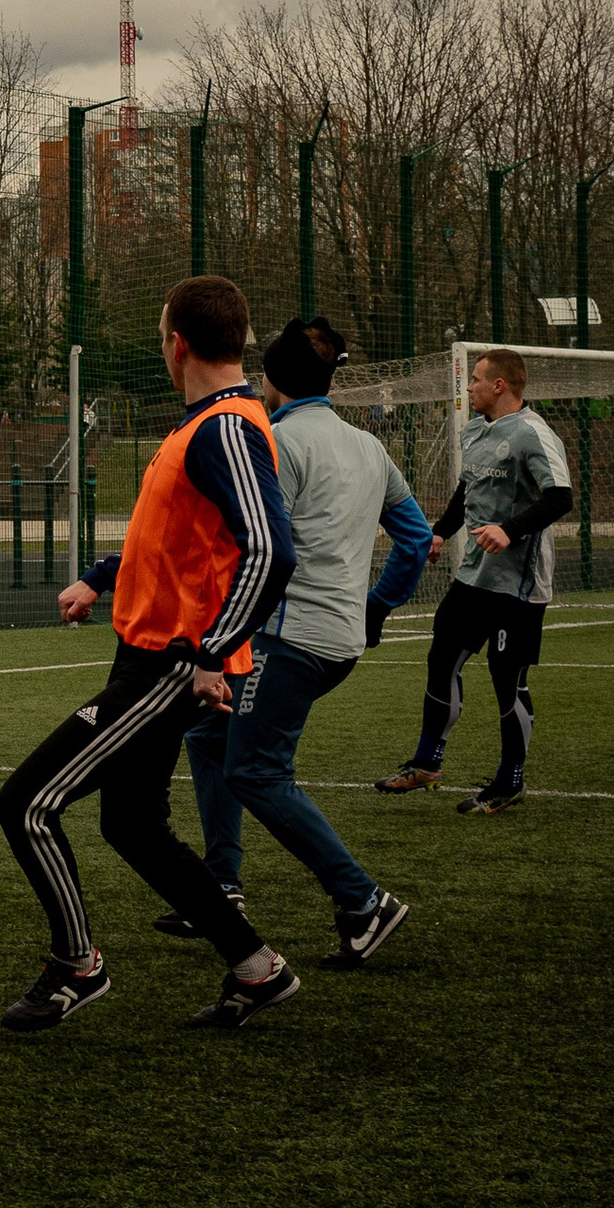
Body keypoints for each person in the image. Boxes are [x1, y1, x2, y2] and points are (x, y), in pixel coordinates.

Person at [0, 275, 300, 1032]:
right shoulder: (199, 426)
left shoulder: (225, 427)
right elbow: (170, 540)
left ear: (177, 343)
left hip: (167, 664)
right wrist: (100, 579)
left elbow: (270, 549)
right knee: (131, 824)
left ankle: (76, 964)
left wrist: (212, 650)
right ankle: (257, 969)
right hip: (148, 654)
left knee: (27, 803)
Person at [175, 319, 431, 969]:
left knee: (256, 769)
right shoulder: (368, 446)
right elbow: (416, 536)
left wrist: (217, 629)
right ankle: (222, 887)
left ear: (269, 378)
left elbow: (266, 550)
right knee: (208, 733)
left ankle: (363, 901)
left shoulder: (277, 441)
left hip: (289, 638)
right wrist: (375, 607)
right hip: (337, 635)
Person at [375, 347, 571, 816]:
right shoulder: (474, 430)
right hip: (473, 579)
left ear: (499, 385)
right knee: (442, 656)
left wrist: (510, 529)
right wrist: (441, 531)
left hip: (518, 588)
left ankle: (510, 781)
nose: (469, 388)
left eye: (476, 380)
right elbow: (469, 489)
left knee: (508, 680)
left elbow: (560, 497)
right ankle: (427, 763)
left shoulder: (534, 435)